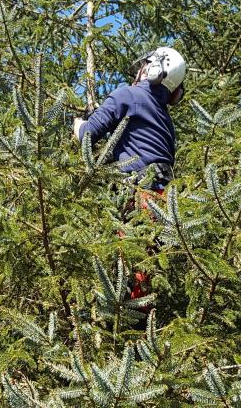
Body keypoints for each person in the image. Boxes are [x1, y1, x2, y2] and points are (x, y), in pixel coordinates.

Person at [72, 47, 187, 318]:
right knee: (145, 271)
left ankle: (125, 329)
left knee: (129, 273)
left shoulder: (128, 95)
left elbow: (89, 135)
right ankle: (142, 330)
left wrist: (76, 122)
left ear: (153, 70)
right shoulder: (166, 123)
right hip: (162, 203)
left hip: (138, 197)